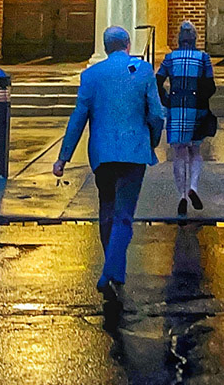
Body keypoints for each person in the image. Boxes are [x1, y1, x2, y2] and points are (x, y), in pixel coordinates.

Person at [53, 25, 165, 301]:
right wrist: (152, 140)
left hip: (102, 154)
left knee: (107, 210)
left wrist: (63, 157)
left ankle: (117, 269)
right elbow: (157, 114)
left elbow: (78, 118)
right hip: (134, 151)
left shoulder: (91, 75)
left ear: (105, 48)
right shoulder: (143, 71)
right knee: (124, 215)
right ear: (127, 46)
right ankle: (109, 271)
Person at [157, 20, 214, 216]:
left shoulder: (170, 58)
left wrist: (167, 99)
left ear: (179, 39)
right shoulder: (203, 58)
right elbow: (210, 86)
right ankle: (194, 187)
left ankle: (181, 195)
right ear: (195, 38)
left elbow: (157, 82)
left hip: (176, 108)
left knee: (179, 154)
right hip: (195, 108)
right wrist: (202, 102)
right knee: (195, 151)